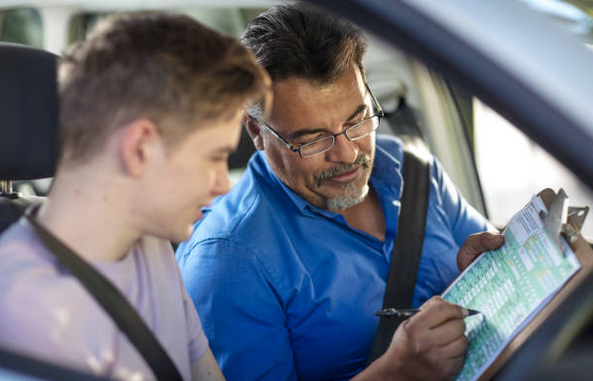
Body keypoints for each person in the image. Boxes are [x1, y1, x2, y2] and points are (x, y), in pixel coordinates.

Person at [176, 4, 503, 381]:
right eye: (313, 140)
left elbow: (493, 268)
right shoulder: (228, 260)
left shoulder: (413, 171)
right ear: (255, 131)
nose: (348, 154)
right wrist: (396, 371)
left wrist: (500, 265)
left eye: (358, 120)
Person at [0, 11, 269, 381]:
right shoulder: (28, 323)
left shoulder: (152, 241)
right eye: (215, 157)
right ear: (140, 147)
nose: (224, 184)